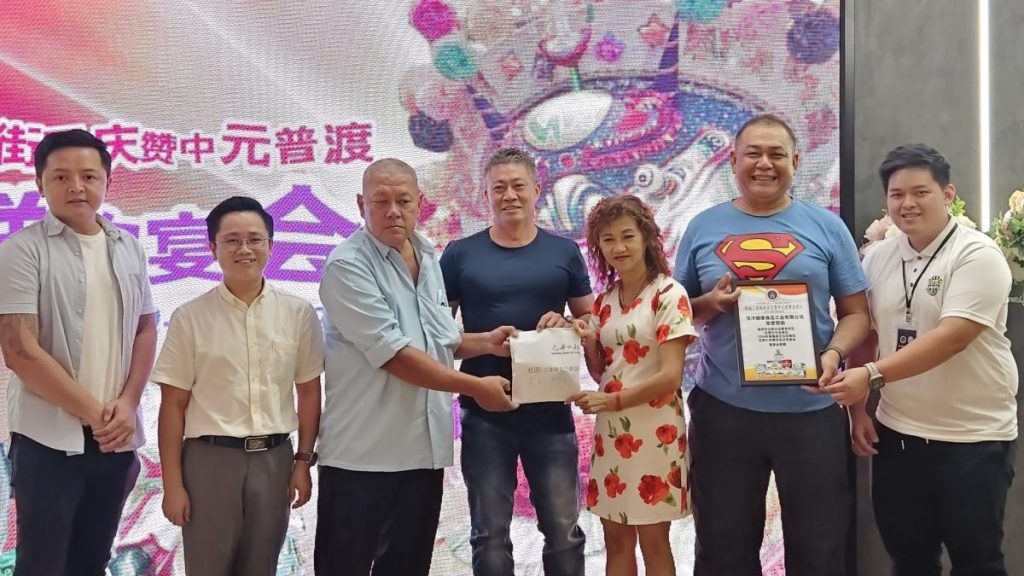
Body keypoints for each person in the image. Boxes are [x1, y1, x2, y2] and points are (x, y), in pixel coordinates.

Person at [673, 113, 870, 575]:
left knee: (820, 549)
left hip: (811, 412)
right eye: (753, 154)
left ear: (796, 161)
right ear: (733, 161)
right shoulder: (701, 227)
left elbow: (857, 314)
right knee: (723, 548)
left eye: (777, 154)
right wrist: (709, 303)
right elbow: (676, 316)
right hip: (724, 412)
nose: (765, 164)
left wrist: (833, 354)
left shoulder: (827, 227)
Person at [315, 158, 518, 576]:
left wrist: (486, 343)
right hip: (362, 458)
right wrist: (475, 386)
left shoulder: (426, 254)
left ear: (420, 203)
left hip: (422, 455)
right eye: (381, 201)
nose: (393, 211)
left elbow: (437, 339)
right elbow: (395, 355)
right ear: (361, 204)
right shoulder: (347, 265)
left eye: (404, 201)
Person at [828, 144, 1018, 575]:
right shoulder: (878, 257)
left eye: (920, 192)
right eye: (897, 195)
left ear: (948, 194)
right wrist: (858, 411)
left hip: (973, 438)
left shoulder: (977, 255)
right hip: (898, 435)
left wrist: (871, 376)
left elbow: (952, 338)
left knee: (978, 562)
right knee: (910, 560)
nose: (907, 204)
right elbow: (867, 332)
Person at [0, 129, 157, 575]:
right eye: (61, 177)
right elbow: (19, 350)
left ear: (107, 181)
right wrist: (95, 414)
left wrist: (128, 404)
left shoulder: (128, 247)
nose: (76, 187)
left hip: (115, 438)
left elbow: (145, 328)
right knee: (42, 564)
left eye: (89, 176)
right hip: (48, 440)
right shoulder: (22, 250)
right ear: (40, 183)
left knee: (92, 560)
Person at [439, 147, 592, 576]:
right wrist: (485, 345)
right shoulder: (459, 254)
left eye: (518, 185)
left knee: (563, 531)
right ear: (485, 194)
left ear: (537, 190)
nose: (509, 195)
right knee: (489, 534)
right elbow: (438, 340)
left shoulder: (564, 252)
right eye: (499, 188)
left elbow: (592, 321)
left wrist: (569, 324)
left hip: (551, 409)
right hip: (483, 410)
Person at [152, 196, 323, 576]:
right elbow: (173, 406)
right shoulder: (190, 318)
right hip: (209, 462)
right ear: (212, 248)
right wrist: (173, 485)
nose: (244, 249)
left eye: (254, 239)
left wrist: (302, 462)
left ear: (270, 245)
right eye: (231, 240)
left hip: (275, 461)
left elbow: (309, 393)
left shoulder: (298, 314)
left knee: (262, 566)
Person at [569, 195, 696, 576]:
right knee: (615, 540)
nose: (618, 247)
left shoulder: (669, 294)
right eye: (608, 239)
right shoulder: (605, 301)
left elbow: (671, 376)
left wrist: (611, 402)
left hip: (656, 432)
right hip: (612, 434)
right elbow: (603, 373)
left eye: (627, 236)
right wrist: (588, 341)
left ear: (646, 238)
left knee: (654, 540)